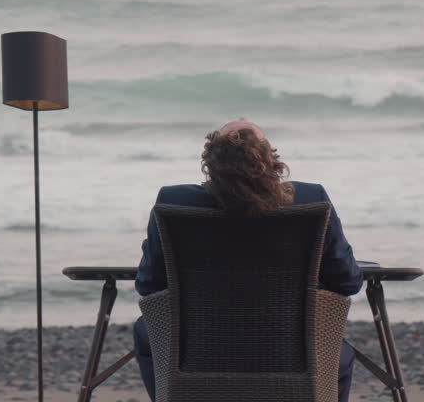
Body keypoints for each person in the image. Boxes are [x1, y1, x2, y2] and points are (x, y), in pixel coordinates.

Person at [132, 117, 363, 402]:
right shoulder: (309, 197)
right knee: (339, 355)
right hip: (294, 358)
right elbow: (347, 281)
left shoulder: (174, 200)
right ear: (271, 157)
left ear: (210, 160)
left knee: (145, 334)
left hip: (196, 357)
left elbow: (149, 284)